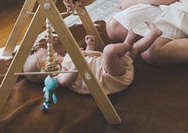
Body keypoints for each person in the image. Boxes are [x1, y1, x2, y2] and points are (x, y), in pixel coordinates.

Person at [22, 23, 163, 95]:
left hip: (110, 67)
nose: (53, 53)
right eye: (49, 55)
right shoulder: (60, 74)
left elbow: (88, 59)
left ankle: (154, 34)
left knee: (134, 51)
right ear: (47, 68)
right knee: (109, 50)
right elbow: (66, 82)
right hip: (111, 77)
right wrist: (76, 64)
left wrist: (90, 47)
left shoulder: (66, 59)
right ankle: (127, 44)